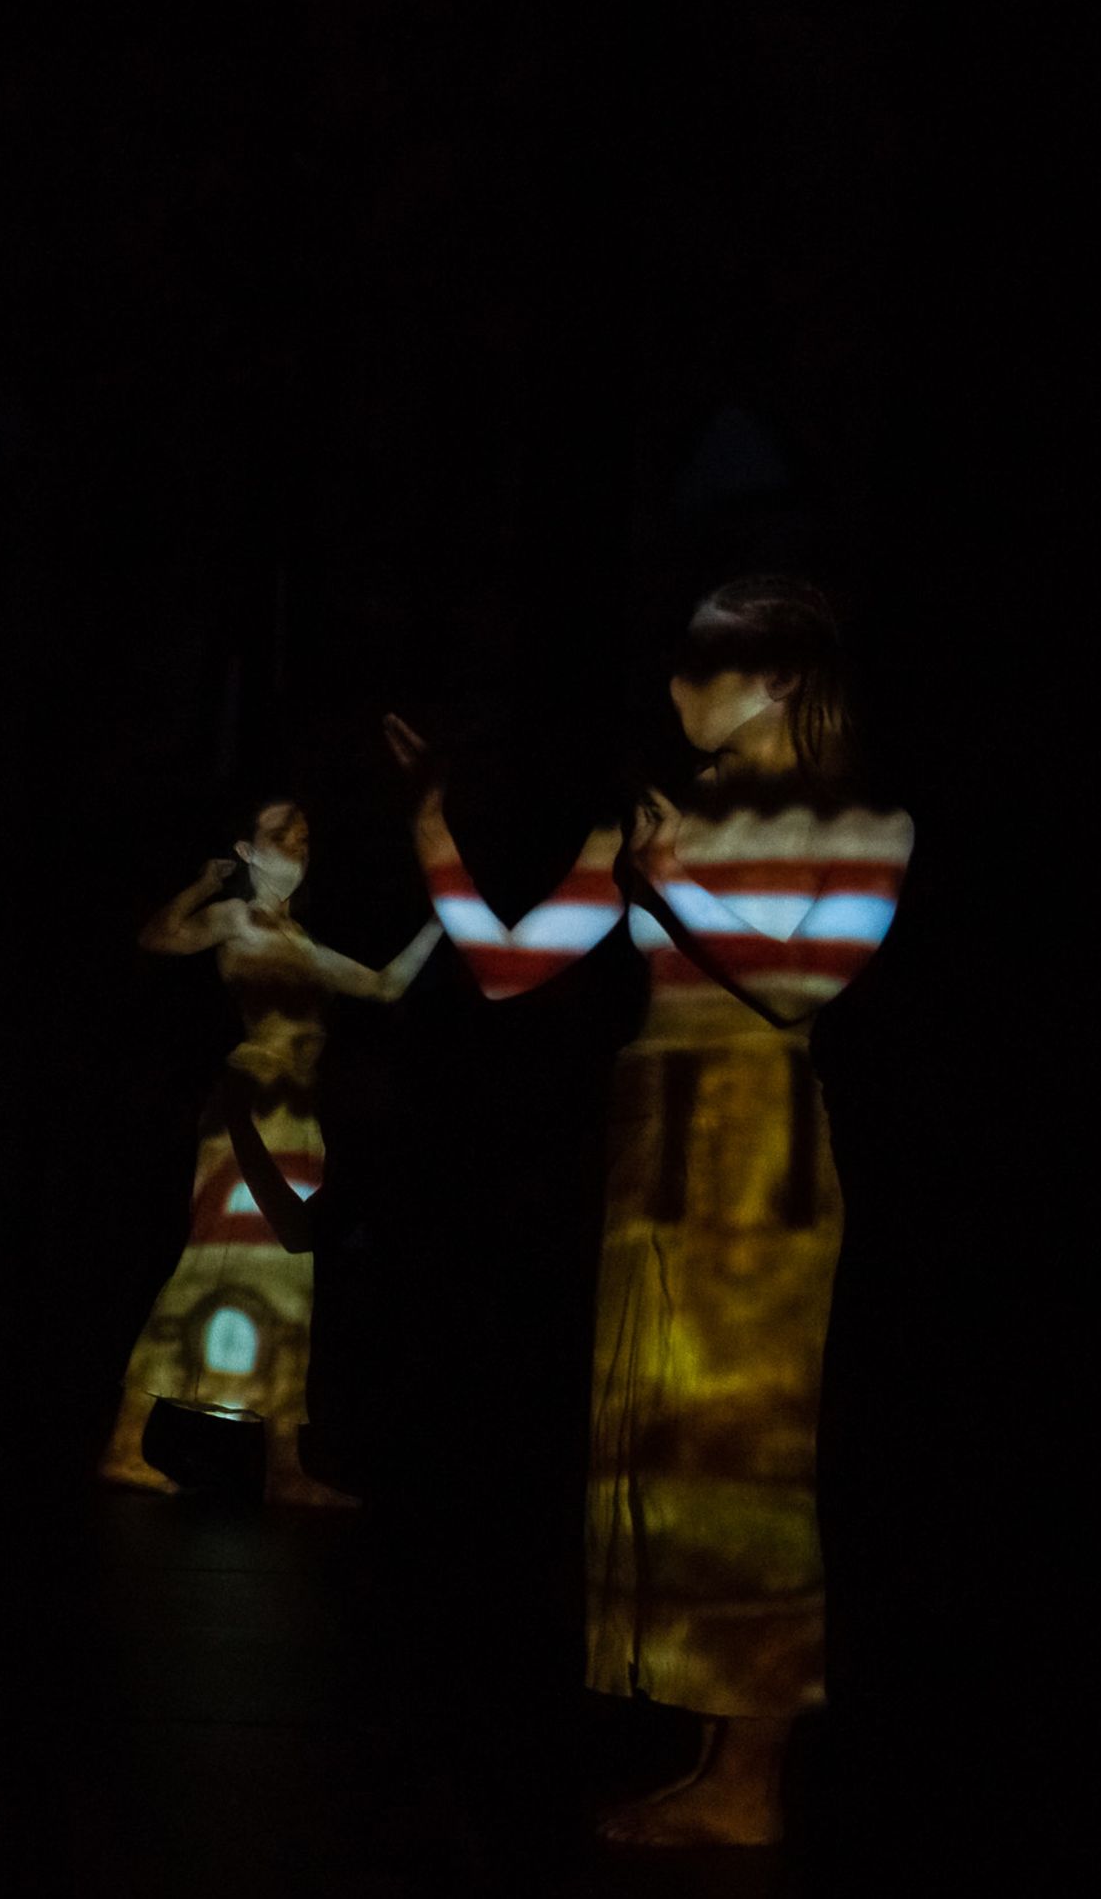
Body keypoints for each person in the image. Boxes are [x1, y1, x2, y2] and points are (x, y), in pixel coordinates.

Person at [386, 577, 910, 1846]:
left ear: (778, 676)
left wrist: (674, 884)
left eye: (702, 665)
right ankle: (715, 1755)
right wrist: (432, 832)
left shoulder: (861, 817)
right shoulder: (650, 822)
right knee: (664, 1440)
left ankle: (755, 1774)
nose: (675, 689)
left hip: (759, 1140)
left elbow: (800, 985)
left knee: (747, 1453)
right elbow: (511, 971)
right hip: (653, 1138)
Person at [102, 798, 439, 1505]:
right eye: (282, 834)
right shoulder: (238, 919)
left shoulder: (299, 941)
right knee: (211, 1266)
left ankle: (283, 1463)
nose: (298, 844)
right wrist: (204, 882)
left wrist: (446, 918)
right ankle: (125, 1444)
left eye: (305, 835)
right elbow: (160, 937)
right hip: (248, 1108)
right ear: (250, 851)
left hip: (298, 1121)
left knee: (286, 1281)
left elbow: (384, 984)